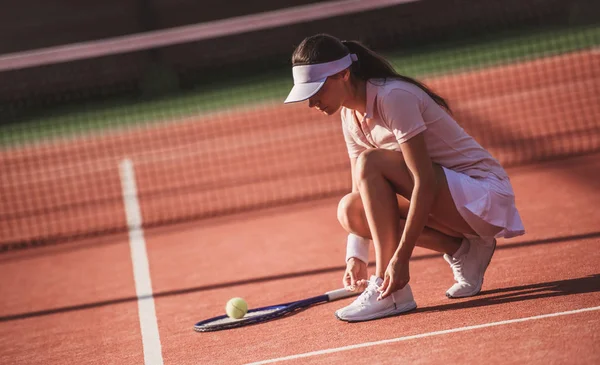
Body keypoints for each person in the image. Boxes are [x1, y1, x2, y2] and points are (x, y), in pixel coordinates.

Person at [284, 34, 525, 322]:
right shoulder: (350, 115)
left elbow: (423, 181)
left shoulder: (393, 97)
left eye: (316, 90)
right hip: (449, 202)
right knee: (351, 210)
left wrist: (399, 259)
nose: (312, 102)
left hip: (484, 197)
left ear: (344, 74)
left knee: (370, 162)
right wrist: (356, 257)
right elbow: (359, 192)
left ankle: (391, 292)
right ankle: (464, 250)